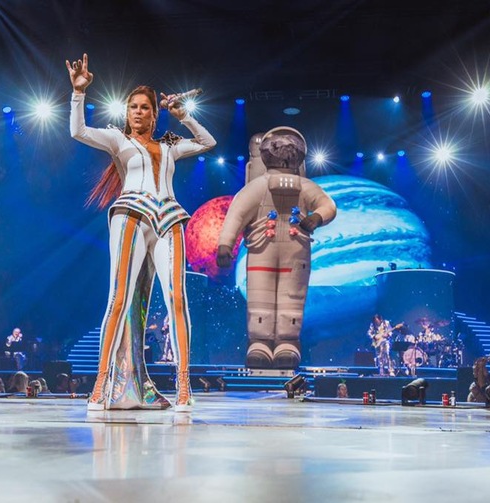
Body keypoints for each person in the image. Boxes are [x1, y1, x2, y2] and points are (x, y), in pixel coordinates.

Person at [66, 53, 216, 412]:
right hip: (131, 212)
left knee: (177, 298)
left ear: (154, 113)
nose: (137, 112)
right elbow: (77, 131)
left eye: (144, 107)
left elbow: (208, 142)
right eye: (132, 107)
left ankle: (183, 383)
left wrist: (184, 116)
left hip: (168, 216)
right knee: (118, 297)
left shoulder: (168, 145)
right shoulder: (118, 140)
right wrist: (78, 93)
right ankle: (102, 383)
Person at [216, 127, 336, 369]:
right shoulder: (261, 187)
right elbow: (237, 214)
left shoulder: (293, 187)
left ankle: (287, 343)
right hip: (267, 249)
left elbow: (327, 206)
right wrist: (224, 244)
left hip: (290, 251)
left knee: (291, 298)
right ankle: (259, 342)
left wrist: (317, 218)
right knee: (261, 297)